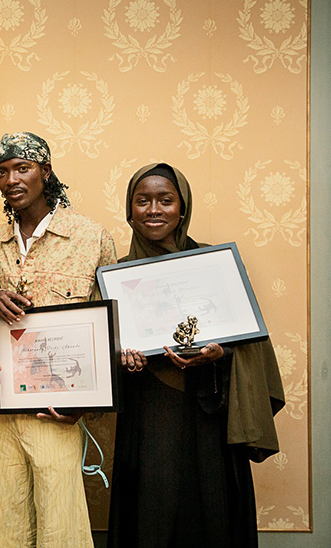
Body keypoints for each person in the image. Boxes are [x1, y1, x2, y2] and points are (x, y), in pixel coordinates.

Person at [107, 163, 285, 548]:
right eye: (143, 201)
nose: (154, 209)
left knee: (212, 513)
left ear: (182, 208)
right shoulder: (117, 276)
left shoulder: (215, 265)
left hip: (211, 416)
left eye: (166, 200)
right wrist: (122, 358)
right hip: (148, 415)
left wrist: (222, 353)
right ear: (129, 211)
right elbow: (102, 354)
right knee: (149, 512)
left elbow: (250, 346)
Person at [0, 131, 117, 548]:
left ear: (46, 171)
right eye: (2, 172)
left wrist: (84, 406)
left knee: (62, 525)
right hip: (0, 410)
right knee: (1, 520)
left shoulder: (91, 238)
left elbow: (110, 327)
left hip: (57, 411)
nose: (12, 179)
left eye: (23, 168)